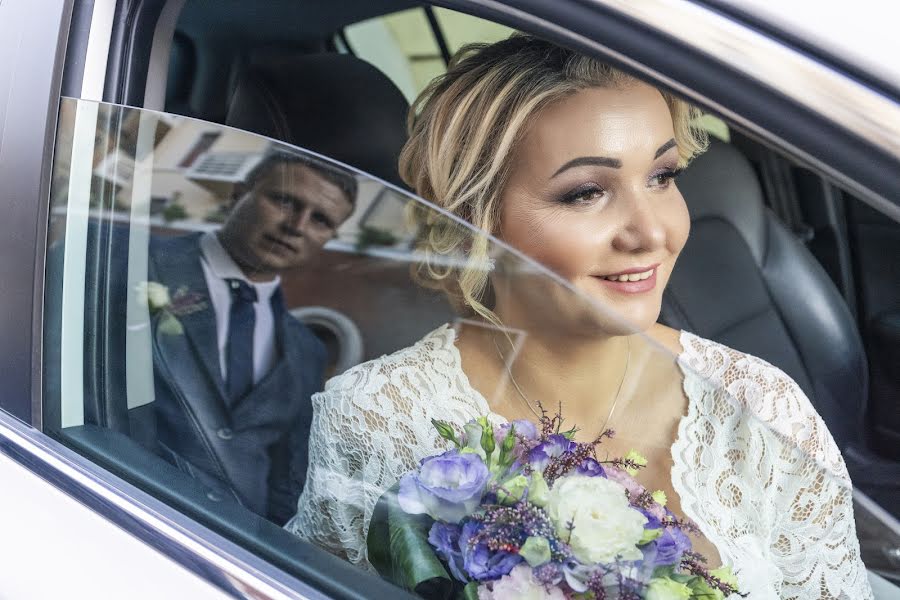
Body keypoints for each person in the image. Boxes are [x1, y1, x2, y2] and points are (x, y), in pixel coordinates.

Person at [285, 36, 872, 598]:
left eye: (662, 177)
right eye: (586, 191)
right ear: (476, 218)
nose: (651, 233)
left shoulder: (759, 409)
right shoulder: (375, 418)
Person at [147, 150, 356, 525]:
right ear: (238, 193)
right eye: (284, 200)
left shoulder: (306, 352)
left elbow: (286, 483)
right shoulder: (128, 259)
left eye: (320, 220)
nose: (297, 225)